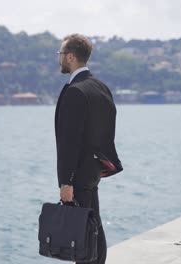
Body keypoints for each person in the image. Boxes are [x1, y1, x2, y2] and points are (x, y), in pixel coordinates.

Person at [54, 34, 123, 264]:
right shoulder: (100, 87)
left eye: (61, 54)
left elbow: (69, 140)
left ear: (71, 57)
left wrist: (66, 181)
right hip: (94, 168)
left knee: (80, 230)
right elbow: (108, 129)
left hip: (79, 172)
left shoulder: (75, 90)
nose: (59, 58)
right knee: (94, 223)